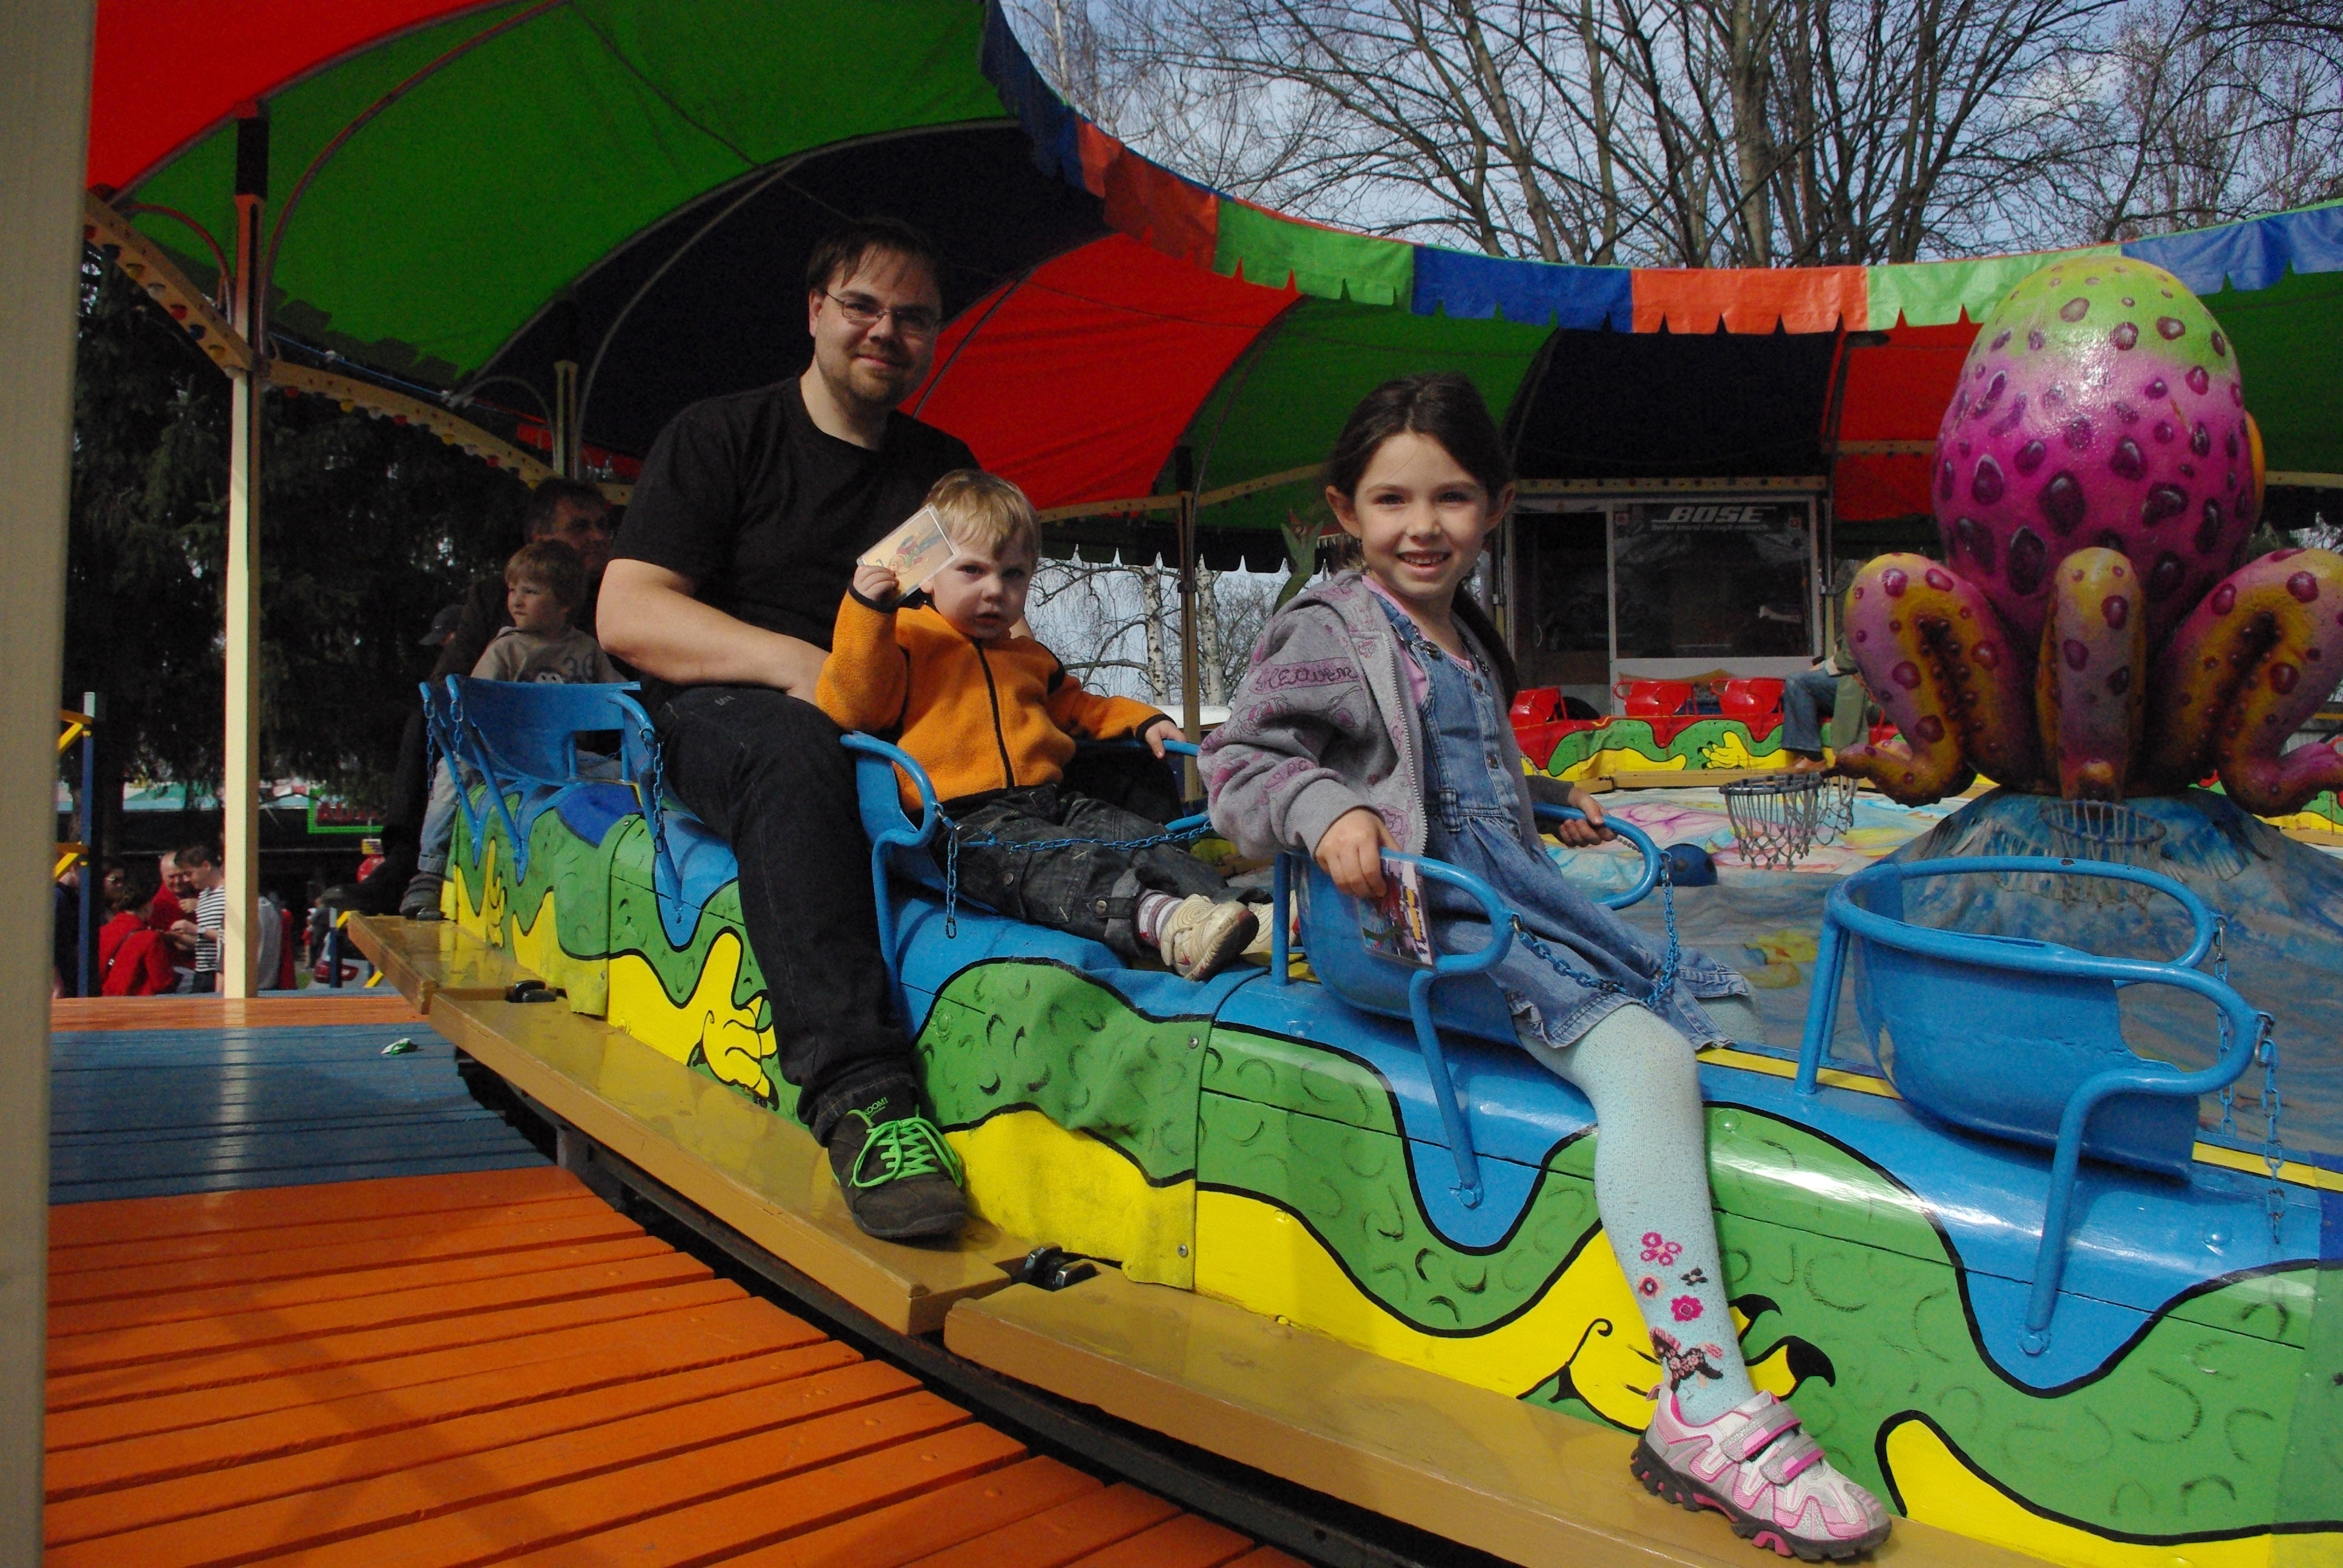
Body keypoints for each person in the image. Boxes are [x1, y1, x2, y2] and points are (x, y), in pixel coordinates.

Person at [1200, 374, 1892, 1561]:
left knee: (1707, 1000)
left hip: (1492, 893)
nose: (1423, 525)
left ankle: (1722, 1304)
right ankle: (1701, 1395)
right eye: (1392, 500)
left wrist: (1544, 800)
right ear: (1344, 511)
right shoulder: (1327, 626)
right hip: (1398, 921)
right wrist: (1324, 811)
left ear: (1495, 506)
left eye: (1451, 498)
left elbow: (1445, 771)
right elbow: (1237, 766)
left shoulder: (1464, 631)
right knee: (1644, 1054)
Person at [598, 217, 977, 1243]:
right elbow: (628, 611)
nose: (886, 331)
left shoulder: (938, 475)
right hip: (732, 711)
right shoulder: (722, 437)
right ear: (815, 312)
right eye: (863, 306)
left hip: (887, 708)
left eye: (913, 317)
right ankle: (862, 1095)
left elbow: (964, 615)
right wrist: (797, 667)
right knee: (794, 748)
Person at [819, 470, 1259, 979]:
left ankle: (1242, 912)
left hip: (1048, 800)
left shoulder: (1027, 656)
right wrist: (866, 614)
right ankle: (1162, 923)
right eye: (972, 571)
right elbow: (851, 707)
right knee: (1058, 862)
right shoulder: (905, 639)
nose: (994, 591)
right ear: (929, 575)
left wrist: (1142, 720)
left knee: (1140, 837)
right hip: (959, 821)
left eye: (1013, 575)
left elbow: (1078, 707)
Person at [378, 479, 617, 918]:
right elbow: (451, 683)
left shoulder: (615, 605)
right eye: (580, 527)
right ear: (540, 537)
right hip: (502, 744)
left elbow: (622, 691)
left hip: (572, 748)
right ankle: (416, 864)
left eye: (603, 526)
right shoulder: (498, 609)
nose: (598, 537)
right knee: (435, 731)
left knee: (638, 769)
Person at [97, 862, 175, 996]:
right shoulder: (150, 938)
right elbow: (162, 982)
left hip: (107, 1000)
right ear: (146, 906)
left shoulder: (102, 932)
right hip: (138, 1003)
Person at [174, 841, 225, 993]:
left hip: (219, 972)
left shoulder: (229, 894)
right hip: (202, 971)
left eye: (189, 873)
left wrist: (196, 930)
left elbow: (231, 938)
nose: (186, 880)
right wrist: (180, 938)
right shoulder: (203, 896)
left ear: (206, 866)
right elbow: (206, 939)